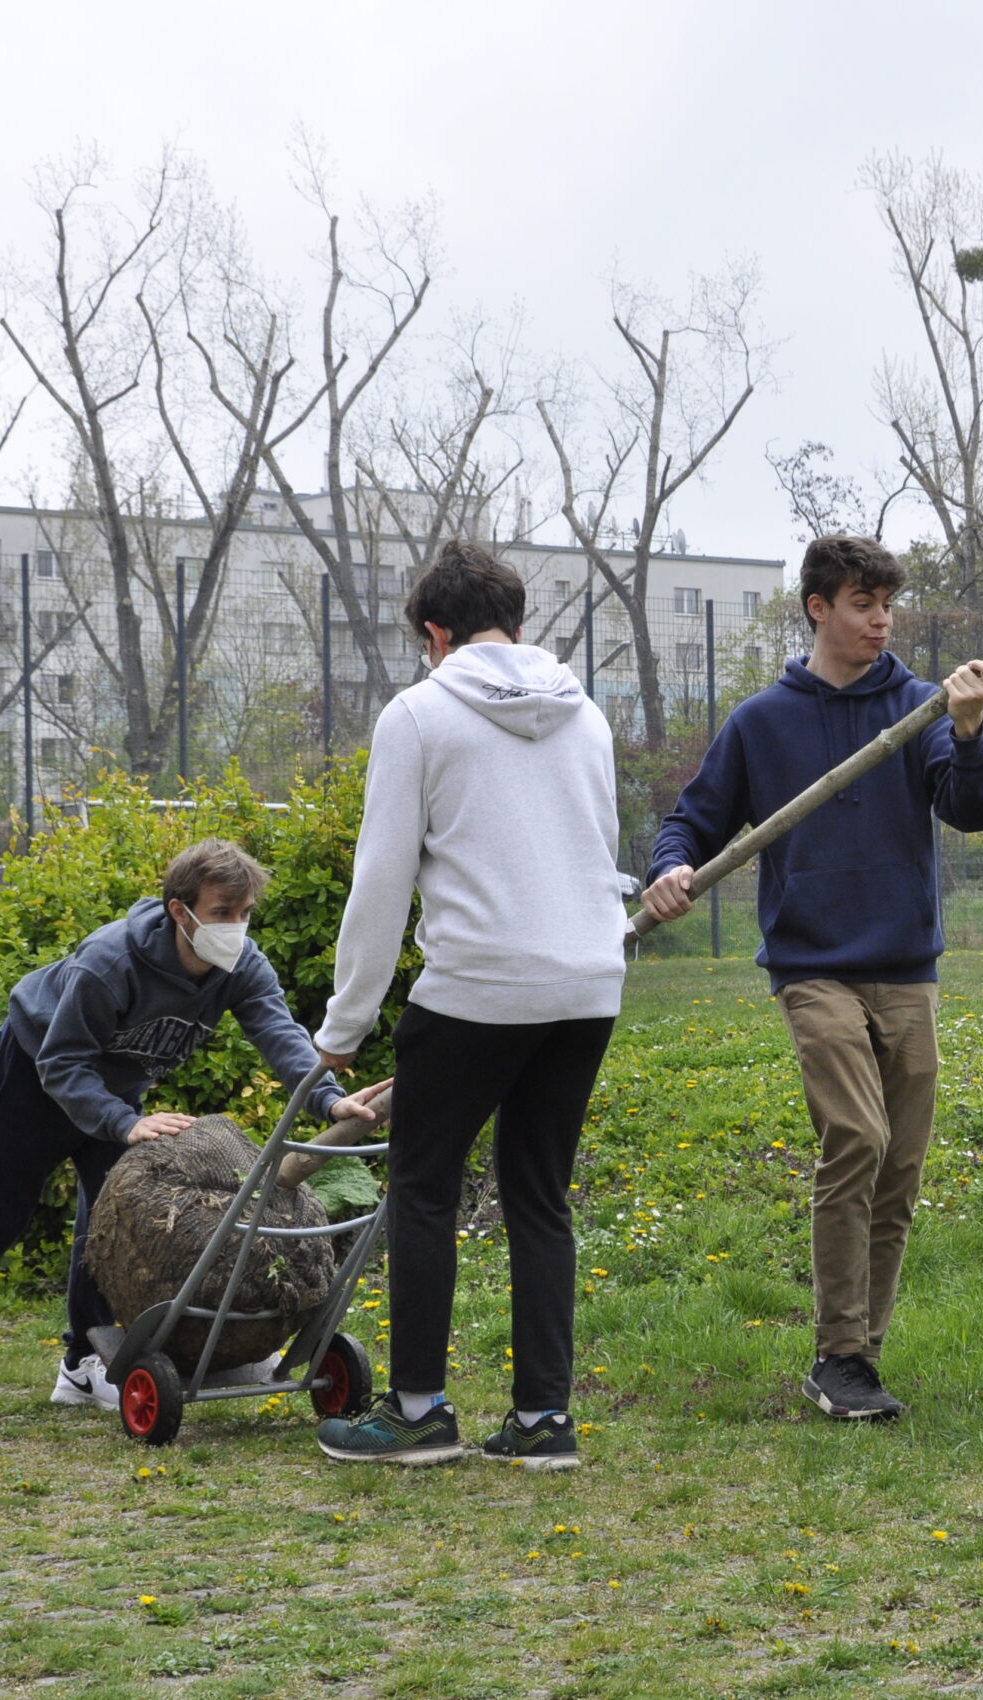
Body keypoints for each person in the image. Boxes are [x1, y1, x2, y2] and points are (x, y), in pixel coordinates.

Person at [640, 535, 983, 1422]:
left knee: (900, 1170)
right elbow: (693, 818)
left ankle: (857, 1361)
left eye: (888, 605)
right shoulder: (762, 722)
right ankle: (839, 1351)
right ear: (817, 608)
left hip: (906, 969)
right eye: (862, 604)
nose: (881, 621)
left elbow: (972, 810)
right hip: (813, 968)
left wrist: (966, 730)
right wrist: (671, 868)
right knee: (857, 1139)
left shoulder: (918, 707)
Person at [310, 540, 627, 1470]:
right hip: (585, 984)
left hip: (479, 986)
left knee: (422, 1186)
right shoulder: (588, 717)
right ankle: (543, 1421)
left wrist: (345, 1027)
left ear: (434, 634)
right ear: (519, 626)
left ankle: (416, 1412)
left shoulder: (418, 714)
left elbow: (382, 880)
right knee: (540, 1195)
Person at [0, 839, 382, 1414]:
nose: (237, 926)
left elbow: (281, 1036)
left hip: (119, 1083)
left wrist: (328, 1101)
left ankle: (83, 1361)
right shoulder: (111, 962)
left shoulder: (241, 965)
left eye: (245, 913)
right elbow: (62, 1061)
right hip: (38, 1070)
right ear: (181, 910)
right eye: (223, 913)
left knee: (113, 1224)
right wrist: (122, 1123)